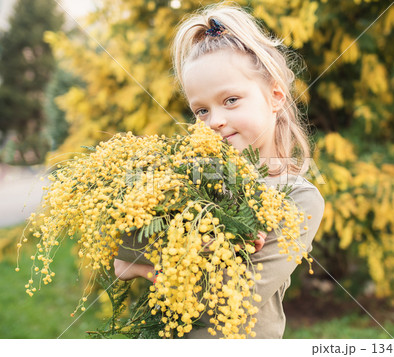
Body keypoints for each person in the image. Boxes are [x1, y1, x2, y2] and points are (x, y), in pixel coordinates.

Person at [114, 2, 325, 339]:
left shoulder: (297, 198)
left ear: (275, 96)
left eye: (230, 100)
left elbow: (227, 300)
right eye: (201, 110)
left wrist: (144, 266)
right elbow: (122, 241)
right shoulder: (191, 179)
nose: (215, 121)